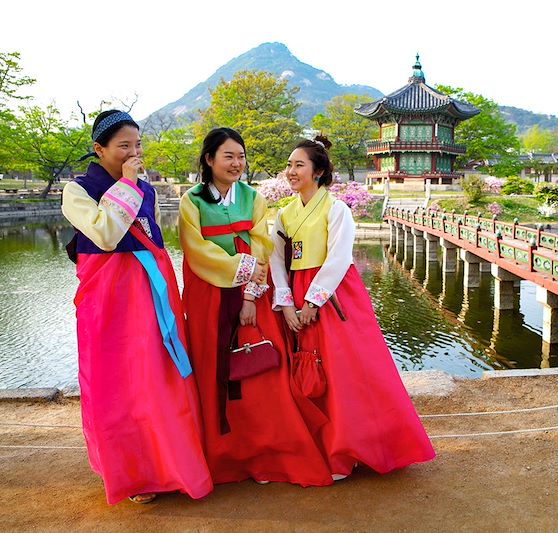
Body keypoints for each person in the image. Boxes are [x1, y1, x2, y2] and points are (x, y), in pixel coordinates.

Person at [61, 110, 212, 505]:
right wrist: (127, 185)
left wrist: (133, 184)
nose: (134, 152)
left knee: (156, 374)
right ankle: (132, 471)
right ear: (100, 149)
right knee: (117, 379)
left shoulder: (146, 188)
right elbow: (106, 234)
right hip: (107, 296)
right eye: (123, 145)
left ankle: (172, 464)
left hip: (150, 289)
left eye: (137, 144)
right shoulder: (76, 190)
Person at [270, 136, 435, 482]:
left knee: (345, 369)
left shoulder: (336, 209)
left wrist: (314, 302)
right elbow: (276, 261)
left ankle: (351, 449)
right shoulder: (285, 215)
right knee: (308, 370)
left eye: (299, 164)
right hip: (298, 292)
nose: (291, 171)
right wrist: (285, 302)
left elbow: (340, 257)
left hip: (333, 294)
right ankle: (323, 445)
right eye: (289, 165)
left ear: (318, 172)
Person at [179, 128, 331, 486]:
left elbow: (261, 243)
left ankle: (266, 451)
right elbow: (196, 249)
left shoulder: (253, 197)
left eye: (240, 156)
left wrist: (249, 292)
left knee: (262, 373)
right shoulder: (192, 200)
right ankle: (221, 456)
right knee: (211, 365)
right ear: (209, 159)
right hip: (208, 292)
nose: (236, 163)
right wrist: (238, 269)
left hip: (253, 292)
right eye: (228, 156)